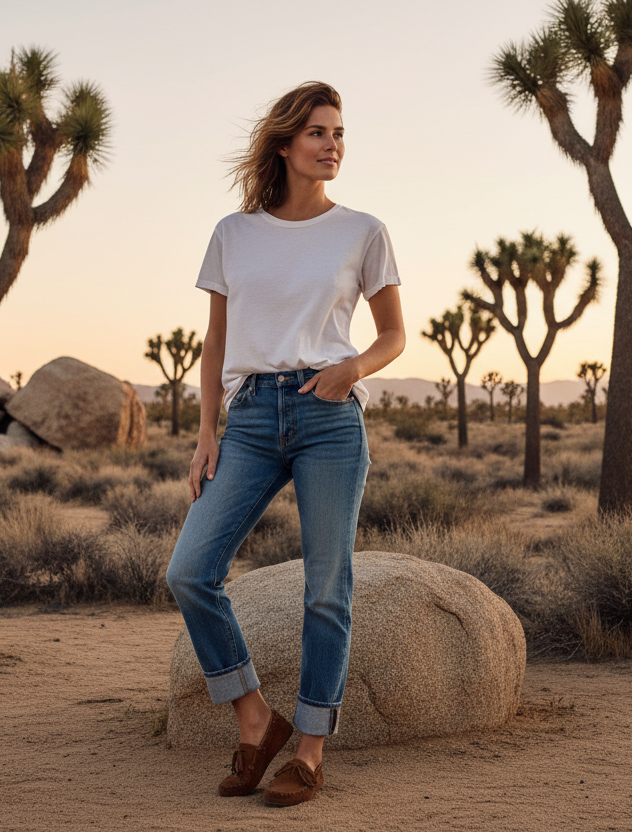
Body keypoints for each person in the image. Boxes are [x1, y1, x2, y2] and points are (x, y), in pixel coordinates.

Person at [165, 81, 405, 807]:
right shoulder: (233, 234)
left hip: (330, 415)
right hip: (254, 416)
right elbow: (215, 345)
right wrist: (207, 432)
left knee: (327, 588)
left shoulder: (362, 230)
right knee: (190, 571)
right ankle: (254, 717)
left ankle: (309, 749)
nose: (333, 145)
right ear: (284, 144)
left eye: (339, 133)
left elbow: (395, 334)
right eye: (319, 133)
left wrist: (351, 369)